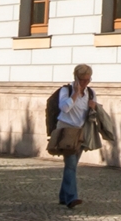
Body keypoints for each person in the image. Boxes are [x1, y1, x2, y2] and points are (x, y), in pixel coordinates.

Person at [47, 65, 110, 208]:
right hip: (67, 131)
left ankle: (63, 196)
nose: (85, 83)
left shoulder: (91, 92)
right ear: (76, 78)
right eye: (82, 80)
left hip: (82, 132)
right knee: (70, 164)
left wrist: (94, 106)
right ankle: (71, 198)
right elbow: (64, 108)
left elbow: (92, 112)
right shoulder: (66, 90)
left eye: (87, 80)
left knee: (72, 165)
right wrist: (75, 93)